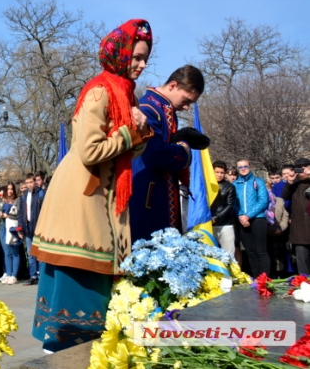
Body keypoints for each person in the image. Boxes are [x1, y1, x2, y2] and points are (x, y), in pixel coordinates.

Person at [31, 19, 154, 353]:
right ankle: (61, 351)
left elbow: (125, 147)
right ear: (120, 54)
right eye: (137, 57)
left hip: (105, 196)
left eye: (145, 59)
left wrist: (137, 131)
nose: (142, 65)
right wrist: (133, 132)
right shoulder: (100, 90)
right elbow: (90, 150)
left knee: (95, 286)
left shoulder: (124, 91)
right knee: (80, 277)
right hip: (84, 198)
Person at [129, 65, 207, 243]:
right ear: (173, 85)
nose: (187, 107)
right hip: (147, 197)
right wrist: (185, 147)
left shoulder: (164, 109)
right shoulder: (148, 108)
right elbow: (156, 154)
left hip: (160, 195)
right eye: (186, 100)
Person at [233, 159, 270, 277]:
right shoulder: (234, 184)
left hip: (258, 219)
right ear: (237, 169)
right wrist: (241, 216)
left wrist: (248, 216)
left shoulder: (258, 181)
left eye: (245, 166)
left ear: (250, 166)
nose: (243, 169)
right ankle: (256, 277)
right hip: (242, 220)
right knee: (250, 252)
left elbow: (263, 201)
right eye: (240, 167)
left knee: (261, 251)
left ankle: (265, 279)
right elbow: (233, 203)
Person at [283, 159, 310, 274]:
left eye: (305, 167)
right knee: (302, 259)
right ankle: (305, 283)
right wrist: (290, 182)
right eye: (299, 168)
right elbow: (285, 195)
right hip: (300, 229)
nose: (303, 171)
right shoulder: (295, 184)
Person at [17, 173, 44, 285]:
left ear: (35, 182)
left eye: (31, 182)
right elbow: (21, 213)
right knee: (30, 254)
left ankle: (42, 276)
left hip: (38, 228)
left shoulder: (41, 194)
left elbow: (44, 211)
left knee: (40, 254)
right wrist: (20, 228)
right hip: (27, 228)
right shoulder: (24, 196)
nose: (29, 185)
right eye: (27, 183)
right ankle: (33, 275)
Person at [209, 160, 237, 254]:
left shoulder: (230, 187)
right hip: (208, 224)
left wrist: (216, 218)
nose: (219, 175)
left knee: (229, 255)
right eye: (217, 172)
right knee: (209, 254)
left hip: (225, 224)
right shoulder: (205, 185)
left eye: (222, 172)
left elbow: (230, 206)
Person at [0, 182, 20, 285]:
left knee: (15, 252)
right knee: (7, 252)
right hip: (3, 227)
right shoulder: (1, 201)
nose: (10, 191)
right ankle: (9, 274)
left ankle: (14, 276)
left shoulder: (17, 201)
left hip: (14, 228)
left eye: (12, 189)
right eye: (8, 189)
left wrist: (8, 216)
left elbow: (20, 215)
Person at [266, 176, 290, 277]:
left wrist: (281, 228)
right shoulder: (260, 202)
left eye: (268, 189)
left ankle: (282, 275)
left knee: (281, 256)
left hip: (279, 232)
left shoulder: (279, 200)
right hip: (266, 234)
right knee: (269, 256)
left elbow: (285, 215)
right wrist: (269, 230)